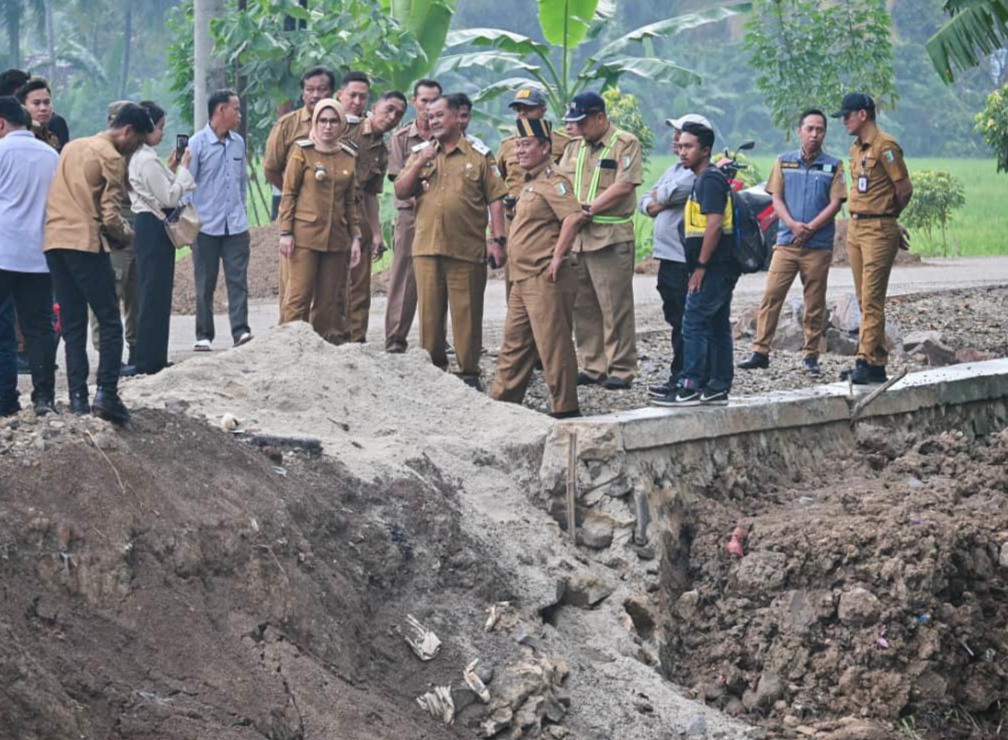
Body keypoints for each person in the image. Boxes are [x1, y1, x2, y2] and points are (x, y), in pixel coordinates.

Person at [44, 102, 152, 424]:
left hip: (54, 242)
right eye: (138, 141)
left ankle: (78, 397)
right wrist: (129, 236)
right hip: (85, 243)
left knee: (73, 323)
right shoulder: (112, 157)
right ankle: (107, 393)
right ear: (127, 131)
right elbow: (110, 216)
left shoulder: (72, 147)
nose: (136, 148)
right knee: (109, 320)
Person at [393, 94, 508, 389]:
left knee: (467, 314)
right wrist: (420, 162)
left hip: (466, 248)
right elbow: (401, 190)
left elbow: (496, 199)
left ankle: (469, 373)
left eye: (439, 115)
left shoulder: (479, 155)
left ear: (458, 117)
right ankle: (434, 373)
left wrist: (497, 240)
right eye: (430, 116)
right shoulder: (420, 153)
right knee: (430, 316)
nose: (433, 121)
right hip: (427, 247)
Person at [739, 108, 847, 378]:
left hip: (817, 246)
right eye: (809, 129)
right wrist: (793, 224)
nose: (814, 134)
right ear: (799, 131)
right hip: (787, 243)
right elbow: (776, 198)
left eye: (819, 129)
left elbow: (836, 203)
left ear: (825, 133)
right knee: (772, 296)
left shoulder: (834, 165)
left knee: (814, 302)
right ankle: (760, 351)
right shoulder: (784, 162)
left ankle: (811, 355)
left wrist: (811, 227)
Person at [490, 118, 585, 417]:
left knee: (553, 345)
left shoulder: (554, 180)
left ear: (545, 148)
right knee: (514, 344)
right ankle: (502, 404)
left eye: (527, 144)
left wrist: (558, 257)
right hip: (522, 277)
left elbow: (573, 217)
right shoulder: (529, 183)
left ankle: (566, 409)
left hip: (544, 276)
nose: (520, 150)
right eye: (518, 144)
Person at [558, 91, 643, 390]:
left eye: (582, 122)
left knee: (614, 306)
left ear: (600, 117)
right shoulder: (574, 147)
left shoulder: (625, 143)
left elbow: (624, 185)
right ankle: (594, 366)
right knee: (583, 307)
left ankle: (621, 367)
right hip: (578, 239)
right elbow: (561, 183)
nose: (578, 129)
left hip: (609, 238)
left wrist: (588, 209)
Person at [652, 121, 739, 407]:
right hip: (715, 266)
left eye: (689, 147)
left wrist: (700, 266)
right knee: (716, 324)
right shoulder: (703, 178)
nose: (682, 152)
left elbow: (714, 226)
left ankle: (690, 385)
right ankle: (717, 386)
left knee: (694, 322)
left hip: (713, 267)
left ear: (705, 150)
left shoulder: (709, 181)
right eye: (680, 146)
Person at [834, 92, 913, 384]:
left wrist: (890, 217)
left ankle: (864, 360)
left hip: (878, 229)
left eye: (847, 115)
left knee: (872, 299)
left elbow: (904, 189)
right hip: (856, 227)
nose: (844, 121)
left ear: (863, 114)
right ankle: (877, 364)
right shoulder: (856, 149)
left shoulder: (885, 146)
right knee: (863, 298)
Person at [277, 99, 361, 341]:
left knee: (328, 301)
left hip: (336, 238)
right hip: (305, 236)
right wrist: (286, 233)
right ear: (315, 122)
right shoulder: (303, 151)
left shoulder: (347, 156)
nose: (328, 126)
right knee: (298, 296)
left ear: (342, 124)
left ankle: (319, 348)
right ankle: (288, 346)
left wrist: (355, 237)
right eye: (323, 120)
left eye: (334, 121)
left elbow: (350, 201)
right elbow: (289, 194)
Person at [123, 100, 196, 375]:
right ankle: (149, 360)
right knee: (154, 294)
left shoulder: (144, 157)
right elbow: (169, 197)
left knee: (156, 293)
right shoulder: (145, 159)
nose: (163, 133)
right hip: (153, 228)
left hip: (150, 226)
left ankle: (153, 357)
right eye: (161, 127)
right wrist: (184, 168)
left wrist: (173, 168)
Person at [639, 113, 708, 398]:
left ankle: (687, 377)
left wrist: (660, 197)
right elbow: (645, 201)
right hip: (667, 256)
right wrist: (658, 198)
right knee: (675, 317)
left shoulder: (696, 174)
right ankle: (680, 374)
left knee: (685, 320)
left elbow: (670, 193)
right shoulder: (675, 168)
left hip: (683, 258)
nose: (676, 140)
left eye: (683, 136)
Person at [0, 95, 60, 415]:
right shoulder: (51, 155)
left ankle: (5, 400)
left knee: (3, 328)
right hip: (39, 256)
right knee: (39, 329)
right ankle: (43, 399)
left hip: (2, 254)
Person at [188, 88, 252, 351]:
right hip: (205, 227)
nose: (239, 114)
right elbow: (187, 184)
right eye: (235, 109)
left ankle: (241, 330)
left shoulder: (238, 143)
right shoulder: (197, 144)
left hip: (235, 225)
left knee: (238, 281)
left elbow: (241, 182)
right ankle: (204, 334)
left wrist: (242, 211)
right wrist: (189, 224)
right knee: (205, 283)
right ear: (221, 110)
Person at [264, 66, 335, 296]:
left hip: (333, 214)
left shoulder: (340, 125)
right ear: (302, 93)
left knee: (329, 287)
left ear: (332, 92)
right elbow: (271, 168)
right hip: (297, 216)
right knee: (295, 286)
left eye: (321, 89)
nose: (315, 95)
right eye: (310, 90)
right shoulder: (288, 125)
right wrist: (295, 193)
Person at [384, 78, 442, 353]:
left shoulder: (449, 136)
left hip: (442, 216)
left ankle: (437, 340)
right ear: (415, 102)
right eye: (424, 101)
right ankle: (395, 339)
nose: (429, 107)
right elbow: (398, 181)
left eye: (434, 101)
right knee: (405, 276)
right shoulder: (402, 138)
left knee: (441, 276)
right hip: (411, 216)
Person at [496, 86, 569, 303]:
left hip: (546, 225)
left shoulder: (561, 143)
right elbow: (497, 185)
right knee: (515, 290)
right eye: (518, 110)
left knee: (547, 289)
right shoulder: (508, 146)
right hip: (515, 223)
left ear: (543, 110)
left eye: (528, 109)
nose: (522, 114)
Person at [346, 90, 406, 342]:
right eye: (389, 109)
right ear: (374, 107)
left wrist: (377, 233)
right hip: (334, 214)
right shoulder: (346, 129)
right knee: (331, 283)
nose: (392, 117)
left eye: (399, 114)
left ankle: (356, 340)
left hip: (359, 215)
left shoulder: (381, 150)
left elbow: (371, 194)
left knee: (360, 285)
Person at [90, 100, 140, 365]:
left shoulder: (138, 152)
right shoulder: (104, 154)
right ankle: (107, 355)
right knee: (111, 291)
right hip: (114, 228)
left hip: (136, 223)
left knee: (136, 293)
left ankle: (136, 347)